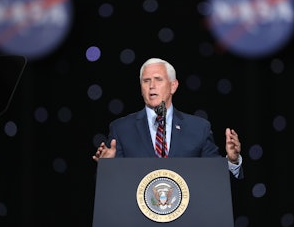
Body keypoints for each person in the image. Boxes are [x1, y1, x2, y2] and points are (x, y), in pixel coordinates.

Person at [92, 57, 243, 179]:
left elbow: (215, 178)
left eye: (158, 79)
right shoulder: (121, 128)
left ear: (173, 86)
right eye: (146, 81)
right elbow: (110, 190)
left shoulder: (199, 128)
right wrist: (107, 168)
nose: (152, 86)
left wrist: (232, 161)